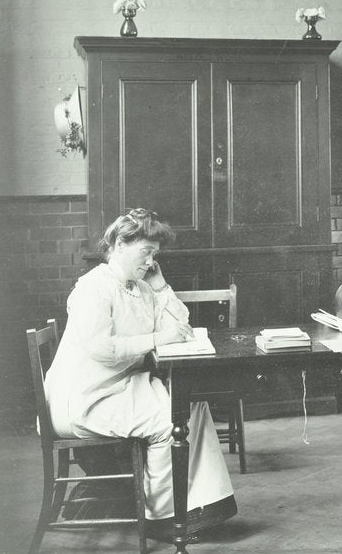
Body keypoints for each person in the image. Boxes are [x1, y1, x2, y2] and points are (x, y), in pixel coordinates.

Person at [45, 208, 237, 536]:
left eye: (155, 256)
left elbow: (181, 327)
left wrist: (161, 287)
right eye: (146, 253)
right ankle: (161, 518)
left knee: (193, 405)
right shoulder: (93, 288)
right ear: (120, 244)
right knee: (170, 421)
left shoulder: (141, 288)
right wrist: (159, 338)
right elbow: (101, 349)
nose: (150, 262)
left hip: (118, 387)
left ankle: (200, 507)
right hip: (84, 397)